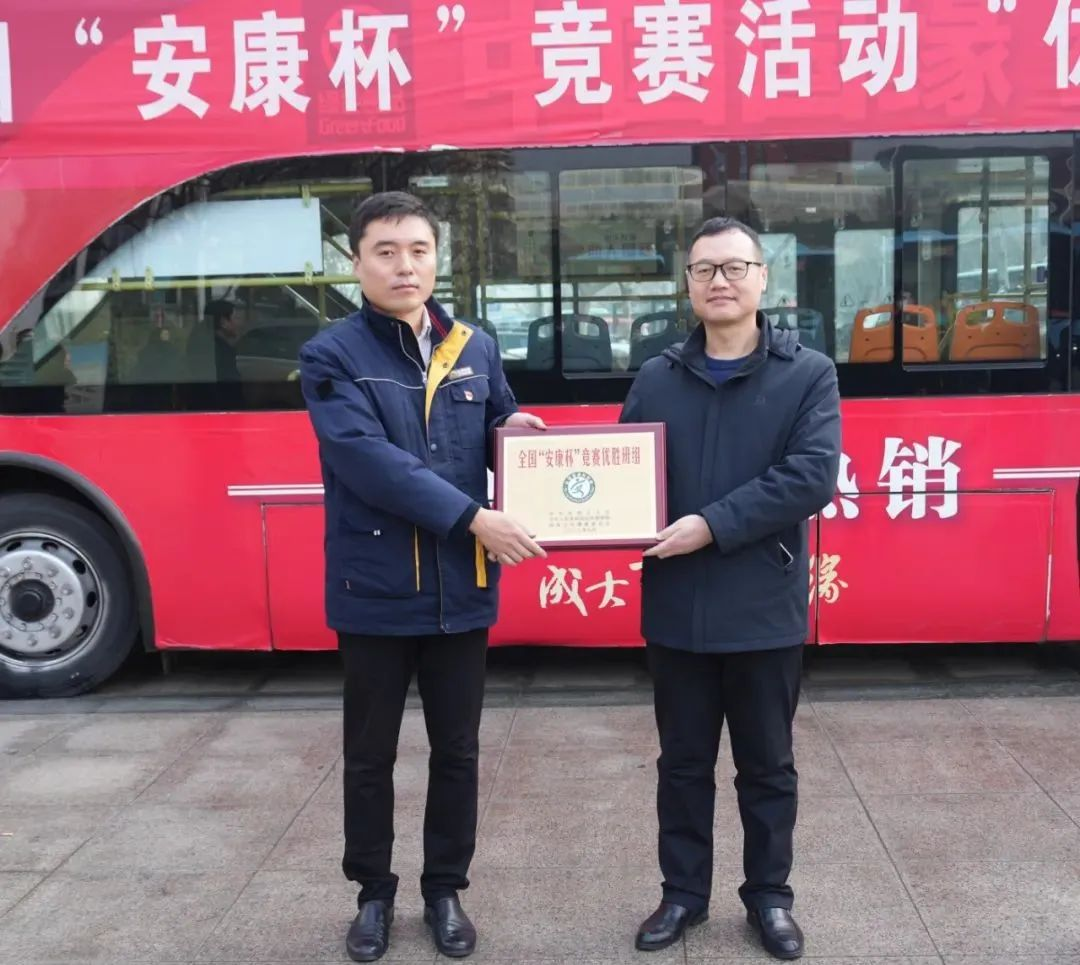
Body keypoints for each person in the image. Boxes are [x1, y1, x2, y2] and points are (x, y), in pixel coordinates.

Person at [298, 191, 546, 963]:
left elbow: (491, 425)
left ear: (438, 258)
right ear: (356, 263)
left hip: (460, 591)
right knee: (370, 755)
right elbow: (370, 463)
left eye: (418, 250)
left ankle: (445, 891)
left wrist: (515, 434)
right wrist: (473, 518)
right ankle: (373, 894)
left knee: (458, 751)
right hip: (375, 591)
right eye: (386, 251)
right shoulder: (332, 355)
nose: (404, 265)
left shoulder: (476, 345)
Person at [620, 217, 841, 960]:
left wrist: (710, 525)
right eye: (705, 269)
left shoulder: (807, 373)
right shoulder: (657, 377)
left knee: (767, 766)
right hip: (676, 608)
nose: (720, 280)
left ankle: (769, 898)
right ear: (687, 283)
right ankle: (682, 895)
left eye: (735, 266)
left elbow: (810, 477)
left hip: (762, 606)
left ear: (762, 277)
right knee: (681, 766)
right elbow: (622, 474)